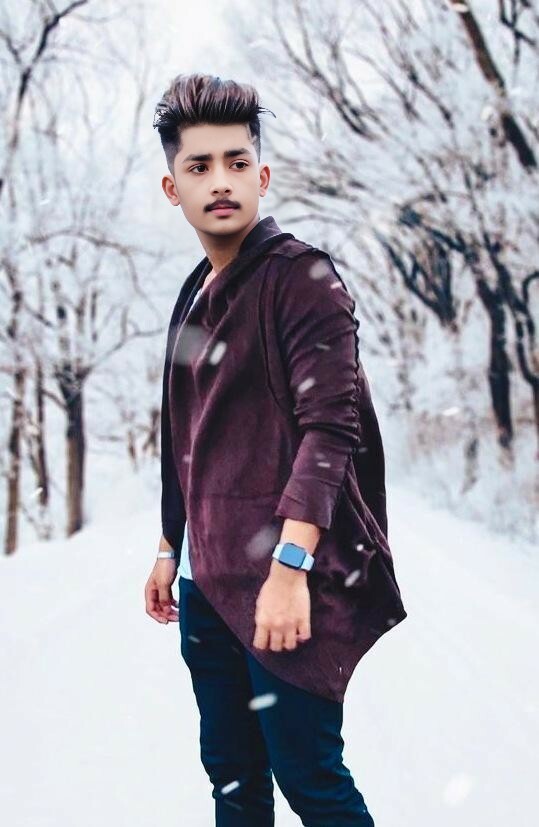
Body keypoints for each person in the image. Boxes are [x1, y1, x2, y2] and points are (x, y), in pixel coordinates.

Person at [144, 72, 407, 826]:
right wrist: (169, 546)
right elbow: (185, 434)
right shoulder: (194, 290)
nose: (220, 181)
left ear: (261, 176)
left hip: (281, 583)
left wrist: (290, 568)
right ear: (173, 188)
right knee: (233, 781)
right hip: (205, 583)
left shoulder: (301, 279)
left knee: (310, 779)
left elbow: (332, 427)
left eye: (236, 162)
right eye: (199, 166)